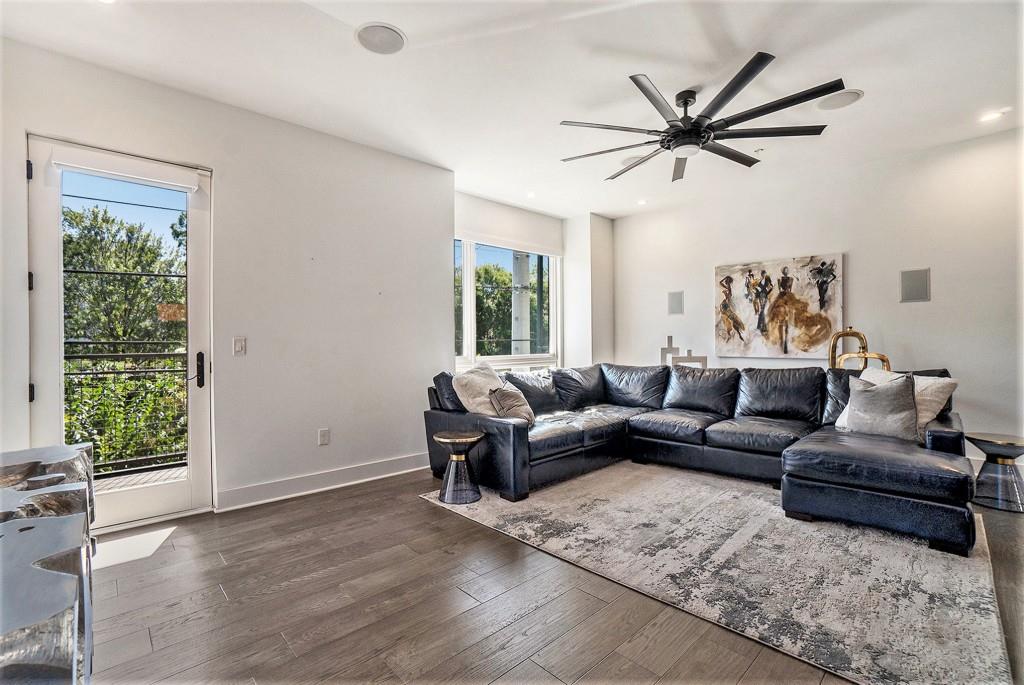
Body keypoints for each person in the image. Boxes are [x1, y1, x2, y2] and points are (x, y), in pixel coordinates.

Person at [718, 275, 745, 342]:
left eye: (726, 281)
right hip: (725, 305)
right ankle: (736, 334)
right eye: (726, 281)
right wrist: (725, 277)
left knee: (731, 318)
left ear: (728, 281)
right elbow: (720, 282)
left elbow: (728, 297)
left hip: (726, 305)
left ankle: (734, 334)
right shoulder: (727, 287)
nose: (725, 281)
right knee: (730, 319)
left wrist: (725, 277)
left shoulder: (728, 288)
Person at [753, 270, 773, 335]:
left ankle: (763, 328)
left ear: (765, 275)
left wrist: (766, 293)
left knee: (762, 311)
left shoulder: (767, 281)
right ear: (761, 275)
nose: (763, 275)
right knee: (762, 311)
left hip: (764, 297)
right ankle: (760, 327)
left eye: (764, 274)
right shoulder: (760, 282)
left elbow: (771, 287)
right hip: (760, 297)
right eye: (762, 274)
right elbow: (758, 290)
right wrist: (757, 290)